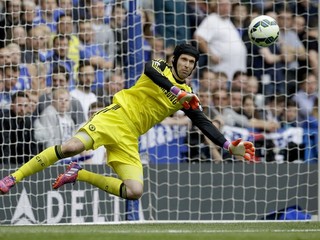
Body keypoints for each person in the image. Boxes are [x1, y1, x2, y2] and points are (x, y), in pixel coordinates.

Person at [0, 43, 255, 199]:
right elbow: (150, 71)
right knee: (70, 148)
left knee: (134, 191)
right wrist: (177, 91)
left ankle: (81, 174)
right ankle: (14, 177)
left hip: (130, 137)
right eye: (185, 60)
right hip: (115, 117)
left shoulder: (188, 97)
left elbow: (203, 122)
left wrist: (228, 146)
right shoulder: (160, 67)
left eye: (192, 63)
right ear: (175, 60)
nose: (188, 65)